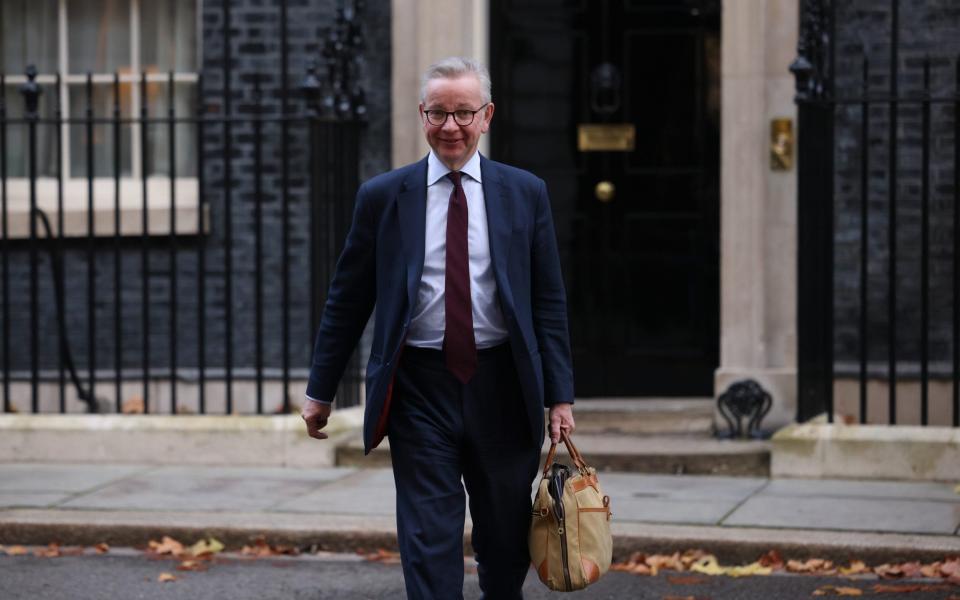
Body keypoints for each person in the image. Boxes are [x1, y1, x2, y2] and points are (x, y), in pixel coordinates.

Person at [301, 56, 575, 599]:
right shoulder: (384, 197)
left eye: (464, 113)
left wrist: (559, 398)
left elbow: (548, 301)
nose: (451, 126)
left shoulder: (524, 192)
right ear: (422, 116)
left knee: (503, 537)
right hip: (420, 386)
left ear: (487, 116)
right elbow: (347, 298)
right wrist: (320, 390)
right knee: (428, 533)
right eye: (438, 113)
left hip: (502, 383)